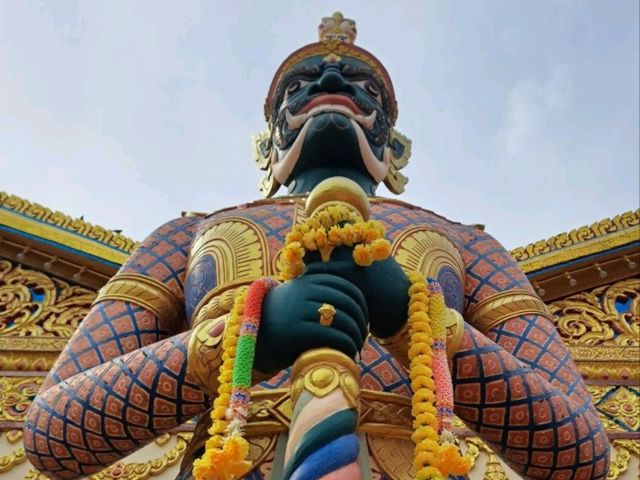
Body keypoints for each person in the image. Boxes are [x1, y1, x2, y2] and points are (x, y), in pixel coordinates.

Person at [24, 12, 610, 480]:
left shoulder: (467, 245)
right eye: (300, 87)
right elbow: (52, 433)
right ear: (271, 142)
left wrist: (421, 324)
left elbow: (581, 452)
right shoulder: (184, 236)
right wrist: (244, 337)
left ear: (392, 145)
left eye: (363, 88)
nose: (331, 86)